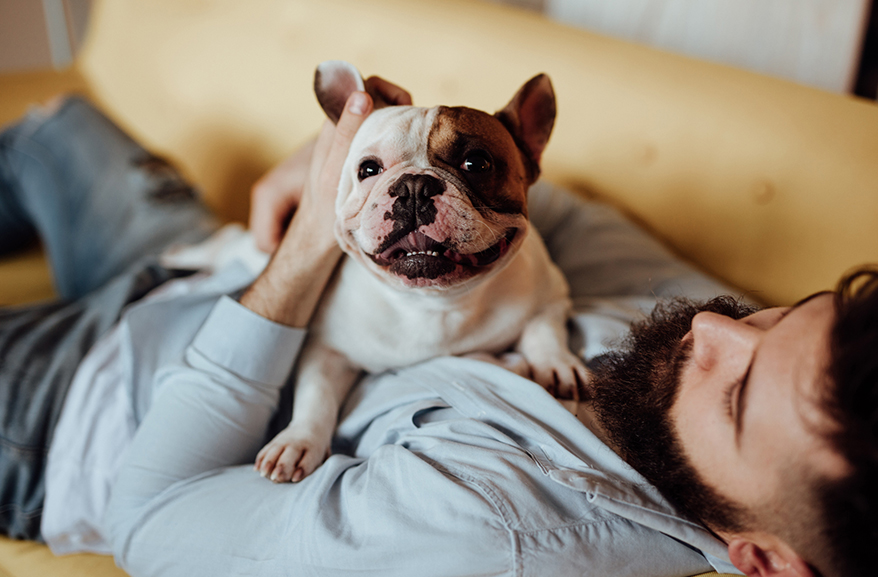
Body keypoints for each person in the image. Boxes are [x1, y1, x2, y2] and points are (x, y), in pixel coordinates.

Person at [0, 85, 873, 577]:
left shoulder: (489, 523)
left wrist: (315, 239)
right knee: (58, 127)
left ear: (761, 559)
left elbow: (151, 519)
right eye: (774, 313)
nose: (710, 333)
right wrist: (329, 171)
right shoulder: (721, 329)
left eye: (737, 392)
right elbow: (534, 194)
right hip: (208, 259)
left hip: (81, 404)